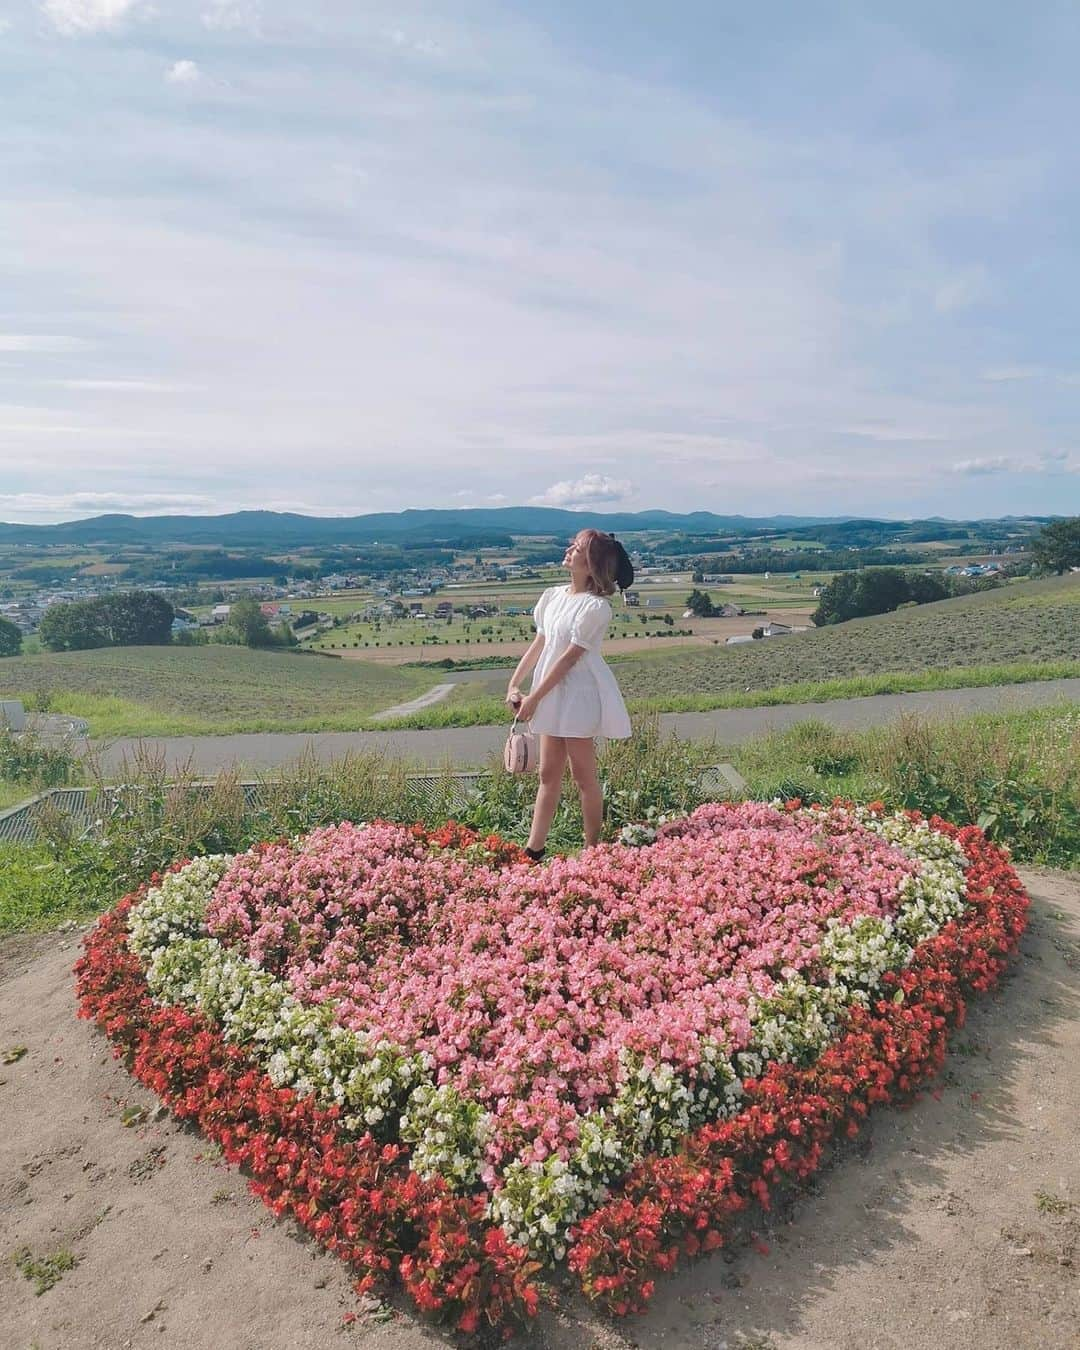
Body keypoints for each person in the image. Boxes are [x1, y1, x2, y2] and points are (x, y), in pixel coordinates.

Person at [505, 529, 633, 860]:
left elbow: (568, 660)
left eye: (576, 549)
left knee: (583, 777)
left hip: (577, 695)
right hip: (551, 692)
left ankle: (592, 850)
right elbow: (540, 644)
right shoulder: (553, 596)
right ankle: (534, 849)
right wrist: (514, 684)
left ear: (591, 565)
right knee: (548, 773)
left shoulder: (595, 608)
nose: (568, 551)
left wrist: (534, 697)